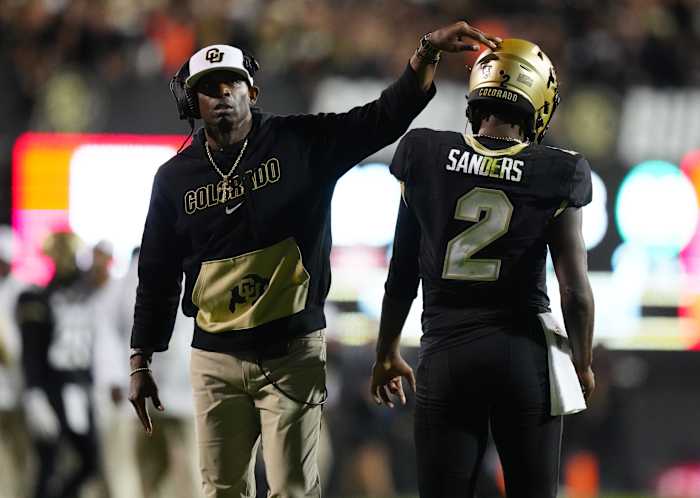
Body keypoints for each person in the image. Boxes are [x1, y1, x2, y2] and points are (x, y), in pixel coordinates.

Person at [128, 20, 501, 498]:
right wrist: (141, 360)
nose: (221, 96)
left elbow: (382, 117)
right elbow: (156, 275)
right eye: (207, 89)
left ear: (253, 91)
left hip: (290, 351)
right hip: (215, 355)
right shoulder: (174, 179)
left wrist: (426, 53)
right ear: (190, 103)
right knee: (220, 490)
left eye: (231, 84)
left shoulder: (300, 142)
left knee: (293, 489)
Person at [370, 38, 596, 498]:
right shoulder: (558, 170)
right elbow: (576, 292)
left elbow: (401, 273)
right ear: (540, 104)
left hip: (446, 355)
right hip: (523, 358)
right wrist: (584, 362)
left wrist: (386, 351)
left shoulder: (423, 153)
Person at [18, 230, 107, 498]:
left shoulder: (88, 292)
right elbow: (31, 351)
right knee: (49, 464)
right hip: (53, 388)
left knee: (89, 462)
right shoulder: (37, 298)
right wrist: (34, 392)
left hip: (79, 387)